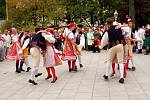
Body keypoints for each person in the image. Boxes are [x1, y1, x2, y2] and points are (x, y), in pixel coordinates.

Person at [100, 18, 126, 83]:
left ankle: (106, 75)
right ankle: (122, 77)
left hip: (112, 46)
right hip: (120, 45)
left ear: (108, 23)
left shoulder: (108, 31)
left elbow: (104, 40)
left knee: (109, 61)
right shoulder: (119, 28)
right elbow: (126, 32)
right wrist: (121, 26)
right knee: (121, 61)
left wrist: (101, 46)